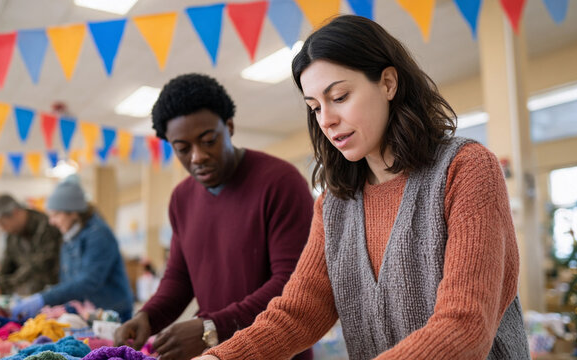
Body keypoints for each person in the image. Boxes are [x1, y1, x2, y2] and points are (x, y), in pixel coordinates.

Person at [198, 15, 530, 360]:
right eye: (315, 108)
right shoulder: (334, 205)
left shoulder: (466, 169)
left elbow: (464, 327)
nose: (326, 119)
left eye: (339, 97)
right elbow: (297, 314)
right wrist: (218, 358)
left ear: (388, 83)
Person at [113, 74, 314, 360]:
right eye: (182, 148)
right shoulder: (181, 198)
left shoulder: (280, 182)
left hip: (275, 351)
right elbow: (180, 279)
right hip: (216, 353)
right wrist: (148, 316)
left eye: (208, 141)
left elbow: (293, 282)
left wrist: (213, 326)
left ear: (229, 127)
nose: (197, 156)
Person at [11, 176, 134, 322]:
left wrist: (43, 298)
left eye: (56, 215)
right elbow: (68, 280)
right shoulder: (70, 236)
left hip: (112, 314)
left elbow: (88, 281)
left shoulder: (99, 235)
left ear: (73, 212)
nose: (51, 222)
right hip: (89, 312)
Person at [0, 194, 61, 296]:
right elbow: (7, 263)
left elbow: (39, 265)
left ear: (16, 213)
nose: (2, 228)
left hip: (53, 293)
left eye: (2, 223)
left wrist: (6, 284)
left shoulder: (46, 226)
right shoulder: (12, 235)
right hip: (29, 294)